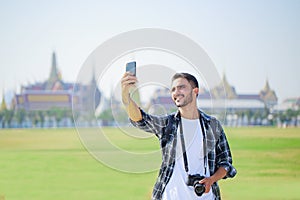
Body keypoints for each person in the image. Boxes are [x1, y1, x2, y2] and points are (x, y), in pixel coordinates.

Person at [121, 71, 237, 200]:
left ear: (195, 91)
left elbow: (226, 163)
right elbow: (140, 119)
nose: (176, 92)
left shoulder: (213, 126)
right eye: (173, 89)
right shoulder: (168, 124)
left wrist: (211, 179)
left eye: (181, 87)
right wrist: (126, 96)